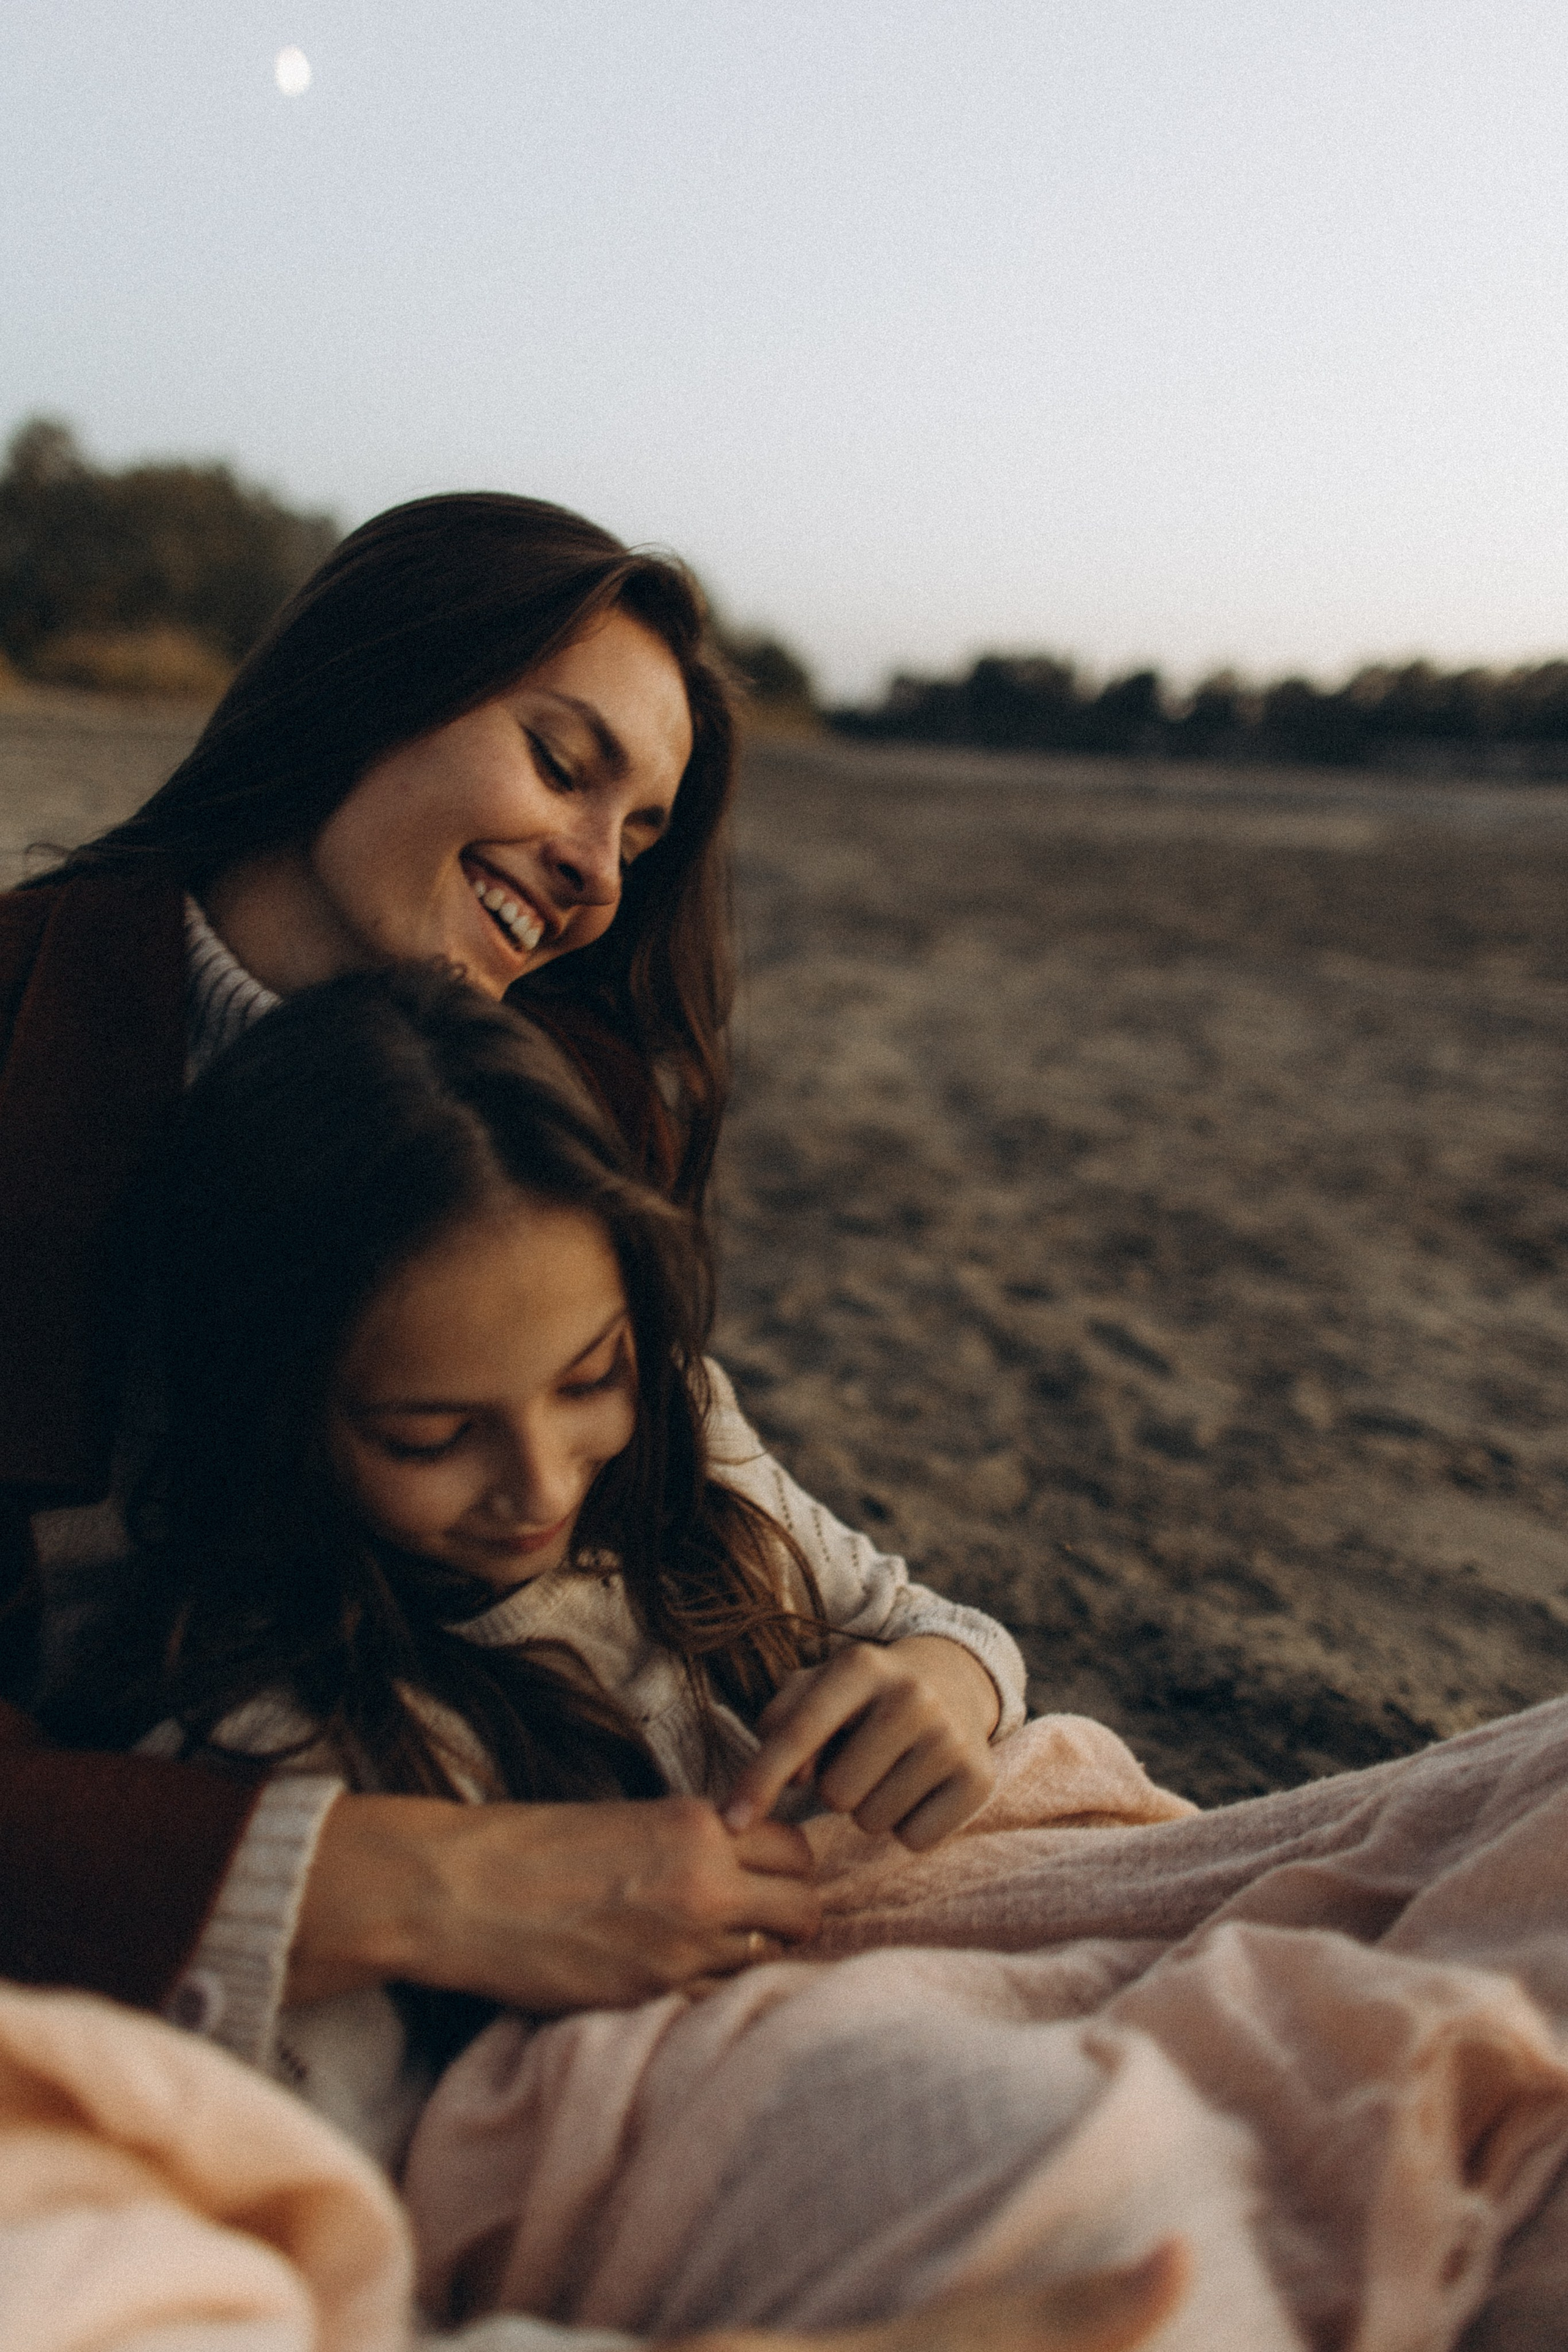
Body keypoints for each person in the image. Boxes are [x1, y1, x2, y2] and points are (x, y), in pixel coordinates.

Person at [0, 489, 861, 2034]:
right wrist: (417, 1885)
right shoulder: (22, 1022)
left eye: (641, 832)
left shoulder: (557, 1108)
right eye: (561, 762)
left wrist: (946, 1668)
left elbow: (706, 1506)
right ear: (369, 685)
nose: (599, 872)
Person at [43, 962, 1028, 2153]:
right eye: (431, 1436)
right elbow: (336, 2169)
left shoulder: (676, 1446)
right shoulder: (286, 1741)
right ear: (275, 1420)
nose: (545, 1483)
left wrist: (945, 1679)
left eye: (588, 1378)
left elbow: (911, 1614)